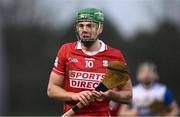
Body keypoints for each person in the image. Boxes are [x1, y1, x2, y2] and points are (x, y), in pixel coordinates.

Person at [47, 8, 132, 116]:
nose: (84, 30)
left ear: (100, 28)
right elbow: (51, 89)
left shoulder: (115, 56)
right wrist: (74, 95)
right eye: (81, 26)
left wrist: (110, 94)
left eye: (90, 26)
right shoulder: (66, 50)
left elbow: (128, 95)